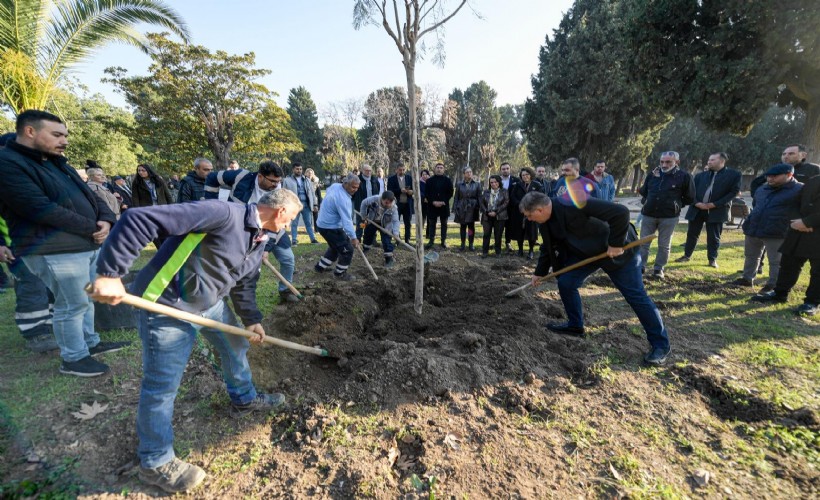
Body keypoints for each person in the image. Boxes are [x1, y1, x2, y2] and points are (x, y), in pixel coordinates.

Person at [90, 190, 302, 494]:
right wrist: (110, 273)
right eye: (291, 219)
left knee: (236, 346)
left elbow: (244, 283)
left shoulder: (260, 239)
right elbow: (140, 218)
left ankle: (244, 398)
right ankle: (155, 461)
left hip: (210, 305)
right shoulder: (223, 214)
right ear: (280, 212)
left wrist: (251, 319)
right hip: (167, 305)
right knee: (162, 384)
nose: (289, 225)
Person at [0, 110, 124, 376]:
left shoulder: (57, 162)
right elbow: (39, 208)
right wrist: (93, 228)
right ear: (30, 131)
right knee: (71, 304)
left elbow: (90, 196)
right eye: (57, 135)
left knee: (86, 299)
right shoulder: (8, 163)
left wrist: (106, 220)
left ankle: (90, 343)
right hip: (54, 249)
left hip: (84, 244)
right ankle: (74, 358)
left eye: (65, 135)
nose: (64, 141)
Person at [521, 191, 671, 365]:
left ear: (540, 210)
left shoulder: (573, 202)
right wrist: (539, 272)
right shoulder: (544, 222)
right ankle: (575, 325)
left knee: (636, 296)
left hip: (618, 250)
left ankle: (661, 344)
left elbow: (621, 212)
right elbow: (547, 247)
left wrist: (615, 243)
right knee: (566, 282)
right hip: (586, 253)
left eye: (529, 216)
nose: (529, 219)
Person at [204, 161, 300, 304]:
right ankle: (224, 293)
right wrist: (211, 205)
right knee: (237, 264)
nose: (276, 185)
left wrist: (266, 248)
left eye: (278, 181)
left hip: (272, 227)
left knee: (288, 258)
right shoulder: (240, 177)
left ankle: (285, 290)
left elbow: (277, 222)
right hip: (242, 230)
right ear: (260, 177)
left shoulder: (279, 191)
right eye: (273, 181)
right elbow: (212, 177)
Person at [751, 174, 820, 315]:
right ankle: (779, 293)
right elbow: (795, 202)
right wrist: (798, 220)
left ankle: (812, 302)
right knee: (789, 264)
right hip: (798, 231)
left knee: (818, 271)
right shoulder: (814, 179)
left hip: (816, 232)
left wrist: (808, 222)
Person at [730, 163, 803, 292]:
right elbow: (756, 205)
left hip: (778, 231)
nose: (770, 179)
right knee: (751, 255)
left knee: (776, 261)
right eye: (768, 176)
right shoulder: (762, 189)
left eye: (775, 176)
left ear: (789, 175)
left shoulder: (799, 190)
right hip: (755, 228)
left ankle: (773, 284)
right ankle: (747, 279)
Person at [677, 152, 742, 268]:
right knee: (692, 234)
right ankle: (686, 255)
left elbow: (733, 193)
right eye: (709, 160)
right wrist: (697, 203)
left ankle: (712, 259)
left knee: (713, 236)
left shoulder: (734, 175)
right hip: (697, 209)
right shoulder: (700, 176)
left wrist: (714, 204)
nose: (709, 162)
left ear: (722, 161)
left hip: (717, 210)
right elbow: (691, 191)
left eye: (712, 160)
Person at [638, 151, 695, 279]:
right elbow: (644, 191)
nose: (664, 164)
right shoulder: (652, 175)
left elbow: (690, 197)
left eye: (668, 161)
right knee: (643, 243)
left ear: (677, 162)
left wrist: (675, 205)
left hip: (669, 216)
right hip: (648, 214)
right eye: (662, 161)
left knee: (664, 245)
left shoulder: (684, 176)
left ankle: (658, 269)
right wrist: (647, 202)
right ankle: (640, 266)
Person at [315, 174, 361, 280]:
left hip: (322, 224)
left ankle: (320, 267)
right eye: (353, 187)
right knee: (347, 249)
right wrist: (353, 238)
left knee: (335, 247)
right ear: (345, 184)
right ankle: (340, 273)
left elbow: (328, 192)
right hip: (330, 227)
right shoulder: (343, 200)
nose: (355, 190)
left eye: (357, 187)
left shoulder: (335, 186)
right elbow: (347, 221)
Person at [509, 167, 543, 259]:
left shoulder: (537, 185)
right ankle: (520, 250)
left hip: (532, 213)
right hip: (520, 212)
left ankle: (531, 251)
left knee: (531, 232)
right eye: (523, 175)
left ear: (531, 175)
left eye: (527, 174)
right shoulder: (518, 185)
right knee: (520, 231)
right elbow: (513, 197)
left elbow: (541, 197)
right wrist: (520, 204)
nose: (525, 176)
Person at [360, 191, 401, 268]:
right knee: (368, 235)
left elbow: (396, 221)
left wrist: (396, 233)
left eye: (389, 203)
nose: (387, 205)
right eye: (386, 203)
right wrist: (363, 215)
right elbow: (363, 203)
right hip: (373, 220)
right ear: (382, 199)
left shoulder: (394, 208)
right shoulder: (374, 199)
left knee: (386, 241)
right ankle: (366, 249)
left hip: (386, 225)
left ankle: (389, 259)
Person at [282, 162, 319, 244]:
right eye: (297, 169)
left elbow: (312, 193)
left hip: (306, 204)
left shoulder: (307, 180)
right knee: (294, 223)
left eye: (300, 169)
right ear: (293, 169)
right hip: (294, 205)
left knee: (309, 223)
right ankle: (294, 240)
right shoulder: (287, 180)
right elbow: (284, 193)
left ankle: (313, 239)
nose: (299, 171)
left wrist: (315, 204)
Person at [452, 167, 483, 252]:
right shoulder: (459, 184)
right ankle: (462, 244)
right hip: (462, 207)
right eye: (467, 172)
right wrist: (454, 208)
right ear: (464, 174)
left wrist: (481, 208)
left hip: (472, 208)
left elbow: (480, 197)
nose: (469, 173)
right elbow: (456, 197)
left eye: (470, 172)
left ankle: (471, 244)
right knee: (462, 226)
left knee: (471, 227)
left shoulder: (477, 184)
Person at [425, 162, 454, 249]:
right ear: (435, 169)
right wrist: (433, 202)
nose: (439, 169)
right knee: (431, 224)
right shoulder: (429, 181)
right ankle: (431, 241)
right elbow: (427, 193)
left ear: (443, 169)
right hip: (432, 206)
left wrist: (443, 201)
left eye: (441, 167)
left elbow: (450, 192)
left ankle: (443, 241)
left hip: (444, 206)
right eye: (438, 167)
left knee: (444, 224)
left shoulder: (448, 180)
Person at [479, 175, 509, 257]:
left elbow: (506, 203)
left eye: (495, 182)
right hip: (487, 216)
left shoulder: (504, 191)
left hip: (500, 216)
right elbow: (481, 203)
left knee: (498, 235)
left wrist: (496, 212)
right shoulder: (486, 192)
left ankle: (498, 252)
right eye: (491, 182)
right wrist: (486, 211)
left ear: (499, 182)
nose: (493, 184)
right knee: (486, 234)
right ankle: (485, 252)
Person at [387, 163, 414, 243]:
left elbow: (414, 190)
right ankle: (397, 238)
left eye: (403, 170)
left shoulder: (409, 178)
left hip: (407, 204)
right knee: (395, 221)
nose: (401, 171)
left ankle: (407, 239)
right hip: (396, 204)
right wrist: (400, 190)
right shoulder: (391, 179)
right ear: (396, 170)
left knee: (408, 222)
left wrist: (411, 192)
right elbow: (390, 191)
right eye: (400, 170)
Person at [352, 164, 380, 239]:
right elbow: (354, 192)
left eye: (370, 170)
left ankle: (371, 239)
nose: (368, 172)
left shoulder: (374, 179)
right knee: (361, 222)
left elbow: (378, 189)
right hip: (361, 205)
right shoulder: (358, 179)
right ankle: (358, 237)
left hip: (373, 205)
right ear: (362, 171)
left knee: (372, 223)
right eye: (367, 170)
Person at [499, 162, 521, 252]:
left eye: (507, 168)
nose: (505, 170)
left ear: (510, 169)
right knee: (499, 226)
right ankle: (497, 242)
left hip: (512, 208)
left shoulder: (516, 180)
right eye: (503, 169)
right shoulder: (496, 179)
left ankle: (508, 243)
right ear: (500, 170)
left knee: (509, 226)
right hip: (499, 207)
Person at [305, 167, 323, 233]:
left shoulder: (315, 182)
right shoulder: (303, 181)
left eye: (311, 173)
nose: (310, 174)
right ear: (306, 173)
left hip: (315, 201)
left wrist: (320, 202)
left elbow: (319, 193)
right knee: (308, 216)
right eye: (308, 173)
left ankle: (316, 229)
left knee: (316, 215)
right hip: (307, 201)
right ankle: (309, 230)